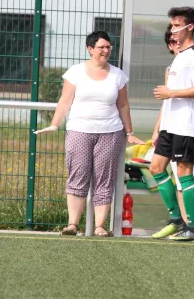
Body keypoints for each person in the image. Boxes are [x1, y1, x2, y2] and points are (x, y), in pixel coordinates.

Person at [35, 31, 144, 237]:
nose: (106, 50)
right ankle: (72, 224)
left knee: (105, 178)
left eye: (108, 47)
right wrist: (54, 124)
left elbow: (123, 105)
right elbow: (65, 101)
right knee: (78, 175)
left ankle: (100, 226)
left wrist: (129, 132)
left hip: (110, 132)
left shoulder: (118, 75)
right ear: (90, 49)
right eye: (101, 47)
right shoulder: (75, 72)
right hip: (79, 130)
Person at [150, 6, 194, 241]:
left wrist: (171, 93)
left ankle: (193, 229)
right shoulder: (180, 57)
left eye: (177, 25)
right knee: (156, 167)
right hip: (170, 124)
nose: (173, 30)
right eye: (172, 25)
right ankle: (176, 219)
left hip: (187, 124)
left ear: (190, 27)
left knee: (186, 173)